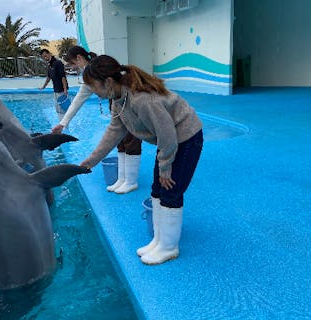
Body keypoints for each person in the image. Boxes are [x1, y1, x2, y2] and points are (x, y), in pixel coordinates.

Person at [79, 55, 203, 265]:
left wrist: (165, 167)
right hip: (170, 141)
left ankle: (169, 247)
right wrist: (90, 162)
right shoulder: (119, 100)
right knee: (156, 189)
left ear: (108, 82)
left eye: (94, 87)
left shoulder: (141, 99)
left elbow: (167, 134)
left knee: (170, 190)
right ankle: (159, 240)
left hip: (186, 137)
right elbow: (114, 132)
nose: (94, 93)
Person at [52, 46, 142, 194]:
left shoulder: (99, 69)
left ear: (80, 58)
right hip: (116, 103)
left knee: (131, 139)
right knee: (121, 141)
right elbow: (78, 100)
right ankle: (122, 178)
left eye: (73, 64)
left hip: (128, 100)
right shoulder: (89, 76)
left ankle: (131, 181)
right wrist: (63, 123)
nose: (74, 68)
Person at [39, 49, 69, 121]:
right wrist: (43, 86)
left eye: (46, 56)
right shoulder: (50, 65)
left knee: (63, 108)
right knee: (58, 108)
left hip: (61, 90)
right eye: (43, 57)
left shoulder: (58, 63)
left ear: (49, 53)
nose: (45, 58)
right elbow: (49, 77)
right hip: (56, 90)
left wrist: (65, 90)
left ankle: (64, 125)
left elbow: (63, 77)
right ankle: (61, 123)